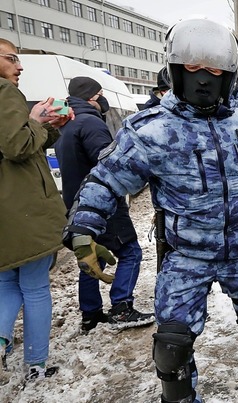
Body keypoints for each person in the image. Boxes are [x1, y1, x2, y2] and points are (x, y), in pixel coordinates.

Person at [60, 18, 238, 401]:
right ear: (175, 71)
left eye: (214, 71)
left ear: (228, 75)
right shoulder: (151, 129)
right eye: (192, 69)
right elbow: (106, 179)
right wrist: (83, 229)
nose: (203, 79)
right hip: (186, 257)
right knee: (173, 344)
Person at [54, 76, 154, 332]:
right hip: (101, 202)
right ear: (91, 97)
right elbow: (109, 165)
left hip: (77, 202)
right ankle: (121, 307)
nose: (103, 99)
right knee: (131, 251)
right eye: (99, 94)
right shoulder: (91, 124)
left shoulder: (68, 124)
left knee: (89, 254)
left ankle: (91, 313)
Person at [0, 38, 73, 381]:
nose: (20, 66)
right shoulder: (4, 92)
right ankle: (36, 365)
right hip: (22, 211)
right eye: (12, 58)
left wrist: (46, 127)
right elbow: (17, 145)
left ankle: (2, 343)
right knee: (34, 287)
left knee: (5, 284)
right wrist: (36, 117)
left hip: (5, 216)